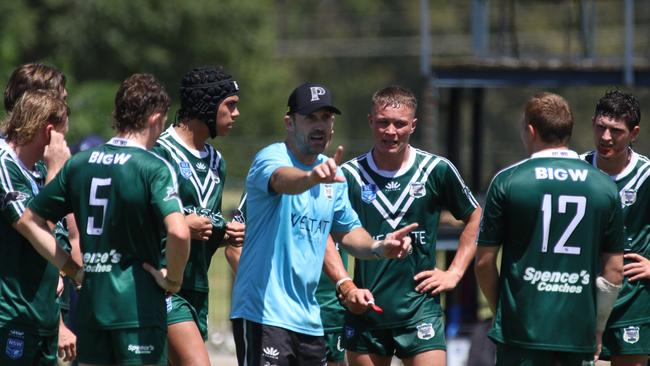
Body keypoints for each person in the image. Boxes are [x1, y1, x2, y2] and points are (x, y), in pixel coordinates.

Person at [230, 82, 416, 366]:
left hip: (308, 321)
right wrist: (311, 178)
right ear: (289, 122)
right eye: (310, 118)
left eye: (326, 118)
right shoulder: (272, 157)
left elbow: (349, 233)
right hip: (264, 315)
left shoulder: (334, 177)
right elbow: (282, 180)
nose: (320, 126)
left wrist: (380, 246)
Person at [15, 73, 191, 366]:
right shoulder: (154, 167)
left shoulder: (79, 164)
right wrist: (173, 279)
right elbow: (180, 233)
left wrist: (72, 269)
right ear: (156, 118)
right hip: (137, 311)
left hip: (91, 309)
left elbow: (28, 221)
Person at [475, 92, 625, 365]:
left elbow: (484, 263)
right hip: (577, 332)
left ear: (530, 130)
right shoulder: (605, 187)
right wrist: (599, 327)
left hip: (521, 330)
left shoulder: (509, 181)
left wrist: (503, 311)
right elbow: (614, 270)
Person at [337, 86, 481, 366]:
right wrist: (347, 287)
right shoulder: (349, 176)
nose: (390, 131)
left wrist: (454, 272)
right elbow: (330, 236)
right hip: (367, 310)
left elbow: (476, 217)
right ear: (370, 122)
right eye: (383, 122)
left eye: (400, 123)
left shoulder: (436, 170)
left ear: (413, 125)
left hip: (420, 311)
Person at [152, 66, 245, 366]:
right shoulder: (159, 152)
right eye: (230, 105)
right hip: (163, 284)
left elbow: (203, 228)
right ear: (206, 104)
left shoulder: (217, 162)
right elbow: (137, 219)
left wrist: (223, 233)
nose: (236, 113)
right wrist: (179, 224)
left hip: (197, 289)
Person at [3, 62, 79, 363]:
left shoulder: (39, 164)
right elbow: (35, 227)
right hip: (13, 315)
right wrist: (57, 171)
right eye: (61, 99)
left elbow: (66, 233)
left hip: (43, 311)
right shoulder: (7, 164)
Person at [582, 90, 649, 366]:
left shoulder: (646, 175)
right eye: (601, 127)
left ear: (634, 133)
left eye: (616, 131)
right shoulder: (576, 169)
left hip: (632, 297)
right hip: (582, 294)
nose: (606, 137)